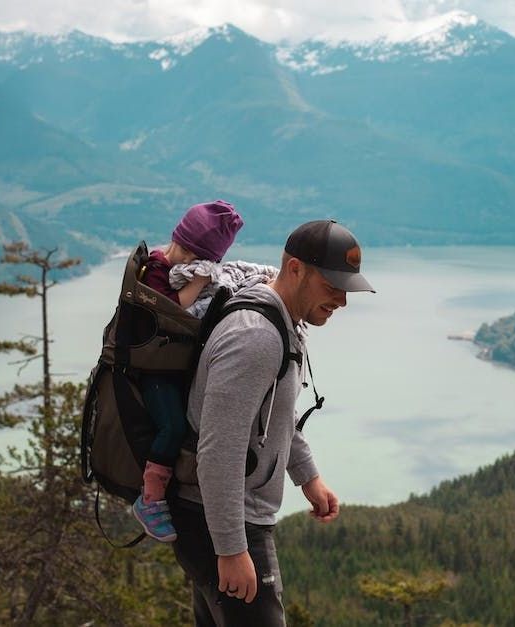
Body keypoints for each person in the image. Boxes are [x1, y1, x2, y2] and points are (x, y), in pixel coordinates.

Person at [170, 219, 375, 625]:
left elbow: (269, 416)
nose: (342, 300)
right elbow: (219, 450)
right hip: (224, 522)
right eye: (332, 285)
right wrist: (230, 549)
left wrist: (307, 475)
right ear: (295, 268)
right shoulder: (257, 336)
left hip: (213, 514)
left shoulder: (282, 322)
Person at [133, 200, 244, 542]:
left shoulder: (171, 264)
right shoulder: (155, 267)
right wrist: (198, 281)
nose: (201, 267)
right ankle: (149, 500)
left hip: (169, 364)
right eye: (199, 260)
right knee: (172, 426)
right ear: (185, 246)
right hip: (153, 369)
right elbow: (173, 309)